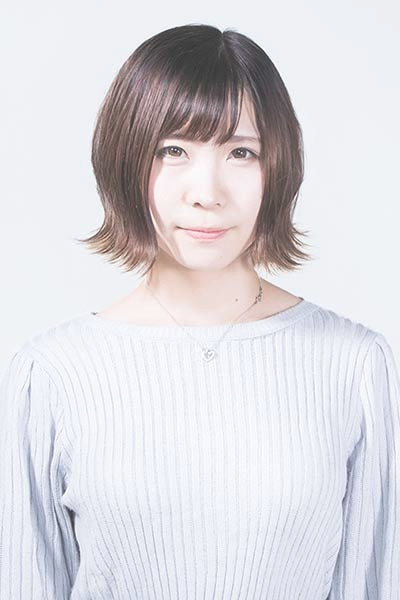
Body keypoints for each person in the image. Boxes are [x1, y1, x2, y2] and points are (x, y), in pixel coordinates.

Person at [0, 23, 399, 600]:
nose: (207, 192)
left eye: (241, 153)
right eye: (174, 151)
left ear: (278, 167)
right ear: (124, 159)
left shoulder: (354, 366)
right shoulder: (54, 374)